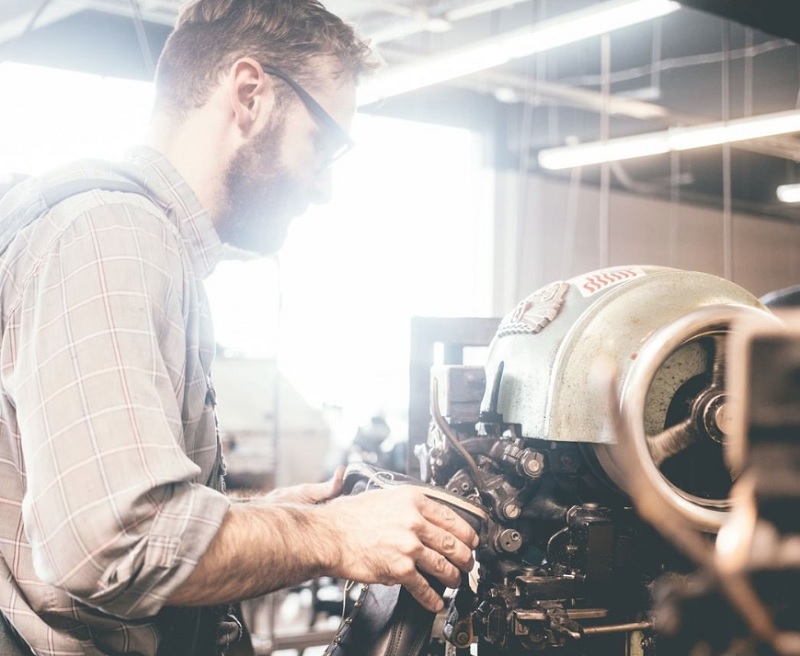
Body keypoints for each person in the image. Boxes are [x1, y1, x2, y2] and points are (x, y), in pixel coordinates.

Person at [0, 1, 479, 654]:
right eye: (324, 145)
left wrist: (264, 523)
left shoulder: (127, 238)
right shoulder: (113, 235)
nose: (323, 190)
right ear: (250, 95)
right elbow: (113, 547)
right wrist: (332, 537)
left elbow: (93, 516)